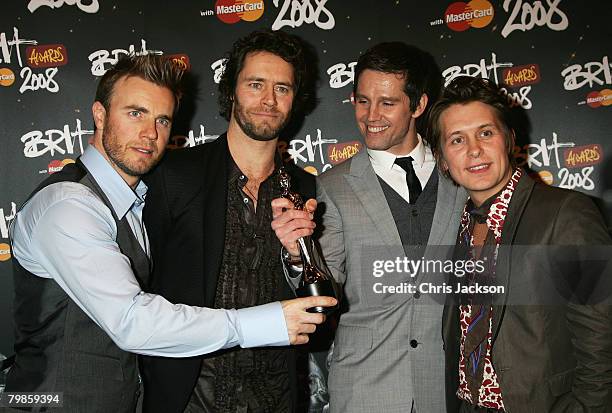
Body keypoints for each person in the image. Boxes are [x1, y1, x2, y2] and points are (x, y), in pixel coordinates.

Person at [6, 54, 334, 413]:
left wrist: (297, 256)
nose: (150, 133)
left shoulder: (132, 201)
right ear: (99, 115)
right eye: (135, 113)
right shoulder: (68, 205)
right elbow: (133, 320)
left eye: (162, 119)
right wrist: (265, 322)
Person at [272, 42, 467, 412]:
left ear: (419, 105)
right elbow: (327, 290)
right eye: (362, 101)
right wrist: (300, 257)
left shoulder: (459, 175)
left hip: (447, 385)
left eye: (387, 103)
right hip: (364, 387)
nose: (371, 115)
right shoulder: (334, 184)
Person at [140, 30, 326, 413]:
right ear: (232, 91)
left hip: (274, 396)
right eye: (256, 84)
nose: (269, 101)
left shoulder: (304, 187)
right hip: (189, 396)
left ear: (296, 100)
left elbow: (319, 310)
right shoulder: (175, 175)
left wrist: (297, 260)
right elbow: (138, 288)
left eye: (283, 88)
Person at [427, 75, 612, 412]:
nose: (474, 150)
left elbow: (602, 342)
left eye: (485, 132)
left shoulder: (566, 213)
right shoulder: (462, 225)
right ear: (442, 159)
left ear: (509, 138)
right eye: (456, 140)